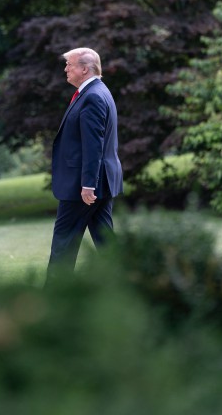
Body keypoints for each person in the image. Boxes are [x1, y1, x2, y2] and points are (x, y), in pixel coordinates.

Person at [45, 47, 123, 285]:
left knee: (63, 245)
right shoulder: (98, 92)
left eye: (69, 64)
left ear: (84, 69)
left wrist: (88, 184)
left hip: (85, 186)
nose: (65, 69)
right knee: (106, 244)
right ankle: (129, 290)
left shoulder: (93, 96)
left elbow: (94, 145)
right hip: (97, 182)